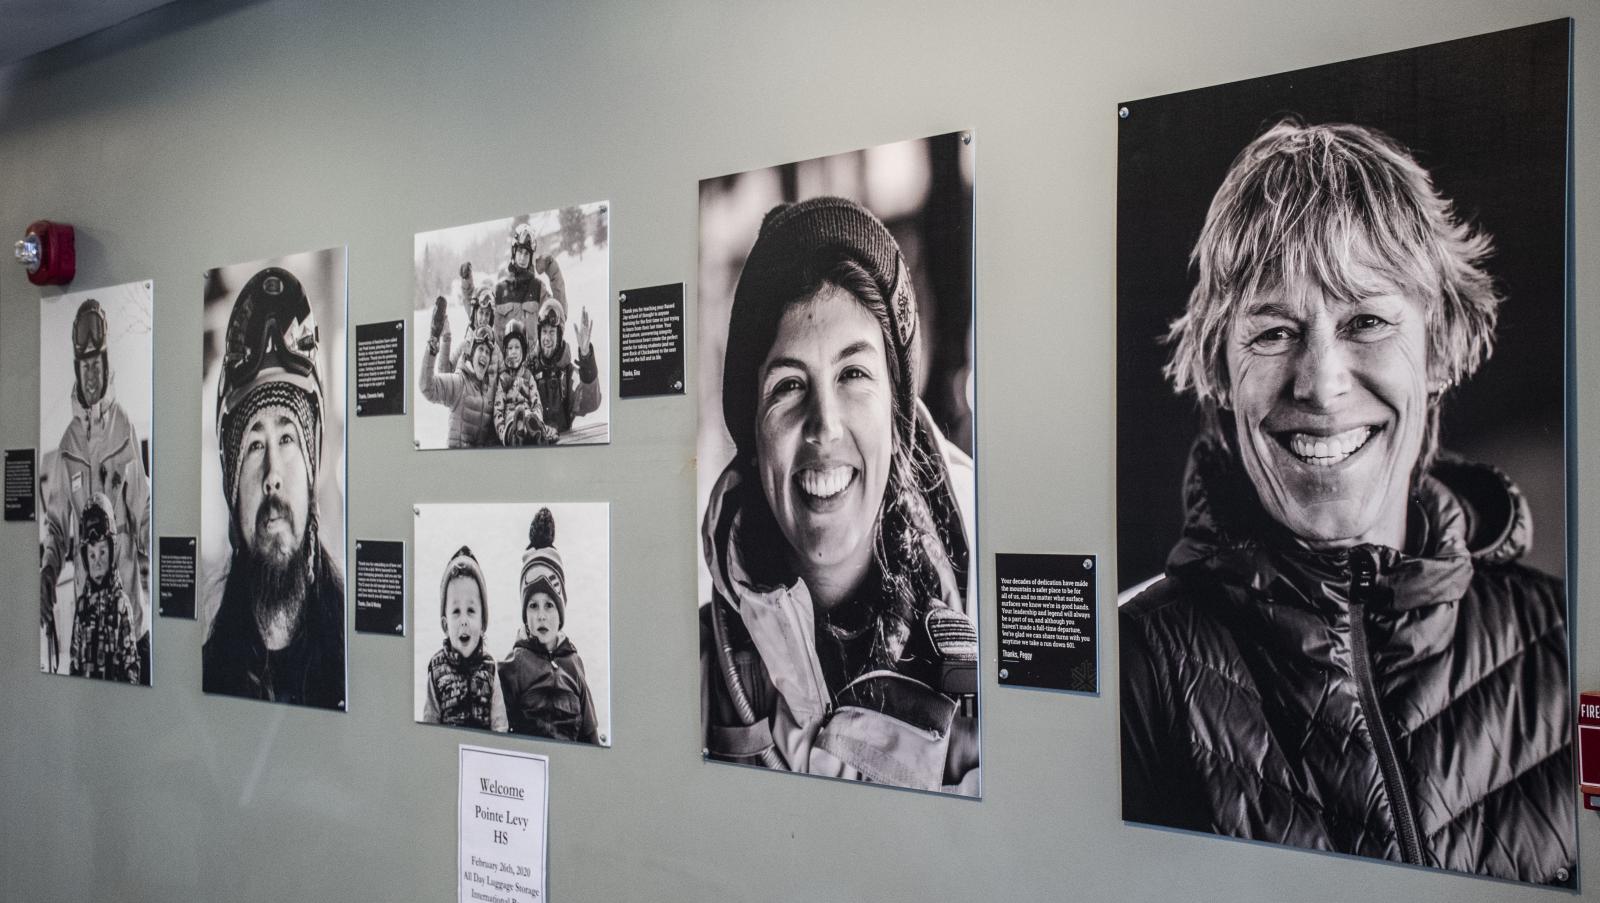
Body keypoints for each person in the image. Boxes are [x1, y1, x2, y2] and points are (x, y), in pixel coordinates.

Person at [1119, 120, 1574, 885]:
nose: (1322, 384)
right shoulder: (1135, 671)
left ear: (1438, 347)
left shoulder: (1568, 643)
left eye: (1365, 321)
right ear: (1220, 371)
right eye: (1274, 332)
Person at [699, 196, 978, 794]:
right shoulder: (694, 675)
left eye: (853, 374)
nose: (824, 426)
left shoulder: (997, 637)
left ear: (898, 413)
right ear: (753, 437)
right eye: (788, 385)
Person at [202, 266, 346, 709]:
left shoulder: (355, 657)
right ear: (231, 482)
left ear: (312, 464)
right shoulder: (207, 671)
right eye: (253, 446)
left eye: (287, 439)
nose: (273, 475)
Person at [39, 298, 152, 681]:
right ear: (78, 369)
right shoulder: (67, 445)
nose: (92, 375)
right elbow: (56, 527)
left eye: (97, 365)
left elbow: (144, 511)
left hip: (129, 621)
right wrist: (48, 571)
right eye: (85, 366)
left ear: (106, 366)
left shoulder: (124, 429)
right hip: (88, 628)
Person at [498, 508, 599, 742]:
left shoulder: (574, 664)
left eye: (549, 606)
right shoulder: (514, 665)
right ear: (525, 614)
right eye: (533, 606)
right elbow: (497, 730)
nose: (541, 616)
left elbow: (590, 734)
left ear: (560, 612)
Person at [423, 545, 508, 731]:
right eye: (456, 611)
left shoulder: (490, 669)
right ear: (445, 624)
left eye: (470, 610)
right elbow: (429, 726)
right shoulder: (436, 669)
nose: (463, 620)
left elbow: (500, 724)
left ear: (483, 622)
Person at [68, 493, 141, 683]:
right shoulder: (82, 606)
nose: (97, 561)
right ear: (85, 559)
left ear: (112, 551)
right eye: (91, 555)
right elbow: (74, 662)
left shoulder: (121, 604)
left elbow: (131, 665)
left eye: (102, 552)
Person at [420, 286, 500, 448]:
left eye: (487, 314)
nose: (484, 318)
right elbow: (444, 373)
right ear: (474, 313)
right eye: (481, 313)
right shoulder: (465, 346)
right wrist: (446, 339)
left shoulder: (496, 350)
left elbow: (504, 380)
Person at [527, 291, 600, 441]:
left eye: (552, 332)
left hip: (563, 444)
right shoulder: (530, 370)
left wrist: (586, 358)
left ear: (559, 335)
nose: (547, 338)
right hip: (534, 445)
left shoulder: (568, 374)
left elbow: (591, 403)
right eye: (544, 332)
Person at [493, 223, 565, 337]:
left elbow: (559, 317)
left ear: (531, 257)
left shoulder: (538, 289)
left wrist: (553, 269)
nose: (522, 258)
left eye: (526, 254)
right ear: (514, 252)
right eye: (520, 252)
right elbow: (481, 323)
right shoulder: (500, 291)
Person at [492, 319, 548, 446]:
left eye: (517, 347)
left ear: (523, 350)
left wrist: (537, 418)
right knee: (514, 422)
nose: (513, 351)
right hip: (510, 420)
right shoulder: (503, 379)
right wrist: (503, 433)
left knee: (529, 417)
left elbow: (536, 402)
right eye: (510, 348)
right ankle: (516, 436)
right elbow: (498, 410)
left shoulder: (528, 376)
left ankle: (537, 433)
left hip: (528, 416)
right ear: (505, 351)